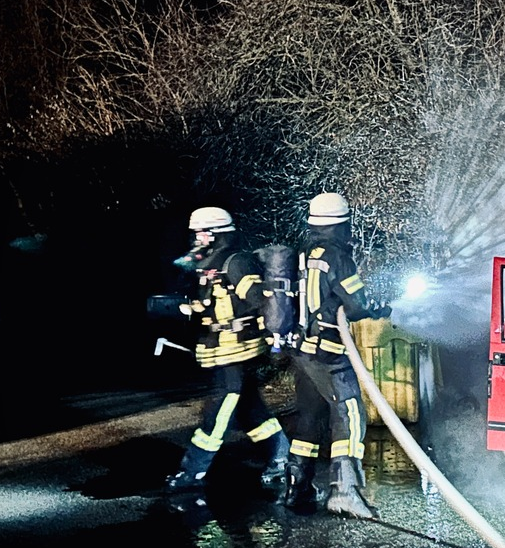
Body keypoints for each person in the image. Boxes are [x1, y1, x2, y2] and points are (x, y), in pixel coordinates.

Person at [164, 206, 292, 498]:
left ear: (217, 233)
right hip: (218, 348)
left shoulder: (236, 262)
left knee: (219, 408)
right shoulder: (205, 264)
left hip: (235, 350)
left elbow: (260, 301)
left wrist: (273, 337)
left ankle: (193, 470)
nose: (198, 237)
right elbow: (207, 302)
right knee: (249, 409)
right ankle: (281, 457)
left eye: (203, 232)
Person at [282, 191, 391, 518]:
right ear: (342, 224)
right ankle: (344, 491)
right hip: (327, 352)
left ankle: (297, 489)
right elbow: (355, 304)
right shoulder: (337, 256)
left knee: (310, 419)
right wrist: (375, 307)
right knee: (351, 413)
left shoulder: (306, 252)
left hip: (302, 353)